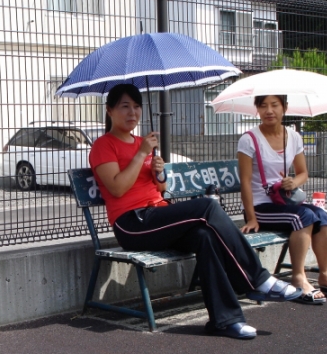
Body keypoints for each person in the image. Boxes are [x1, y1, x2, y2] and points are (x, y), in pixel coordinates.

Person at [89, 84, 302, 340]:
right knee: (207, 206)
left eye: (137, 106)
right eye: (125, 106)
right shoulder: (104, 145)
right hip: (132, 223)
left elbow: (161, 188)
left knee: (205, 236)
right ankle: (258, 279)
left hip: (157, 215)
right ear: (109, 110)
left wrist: (158, 172)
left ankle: (226, 320)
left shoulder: (141, 142)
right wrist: (141, 155)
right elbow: (117, 188)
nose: (132, 112)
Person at [238, 94, 327, 305]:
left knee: (322, 216)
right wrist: (251, 218)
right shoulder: (249, 140)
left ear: (285, 108)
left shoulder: (294, 136)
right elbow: (245, 182)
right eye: (263, 106)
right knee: (303, 216)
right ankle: (298, 278)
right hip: (259, 207)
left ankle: (325, 275)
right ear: (257, 109)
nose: (269, 111)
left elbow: (303, 173)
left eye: (275, 105)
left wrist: (293, 182)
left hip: (284, 203)